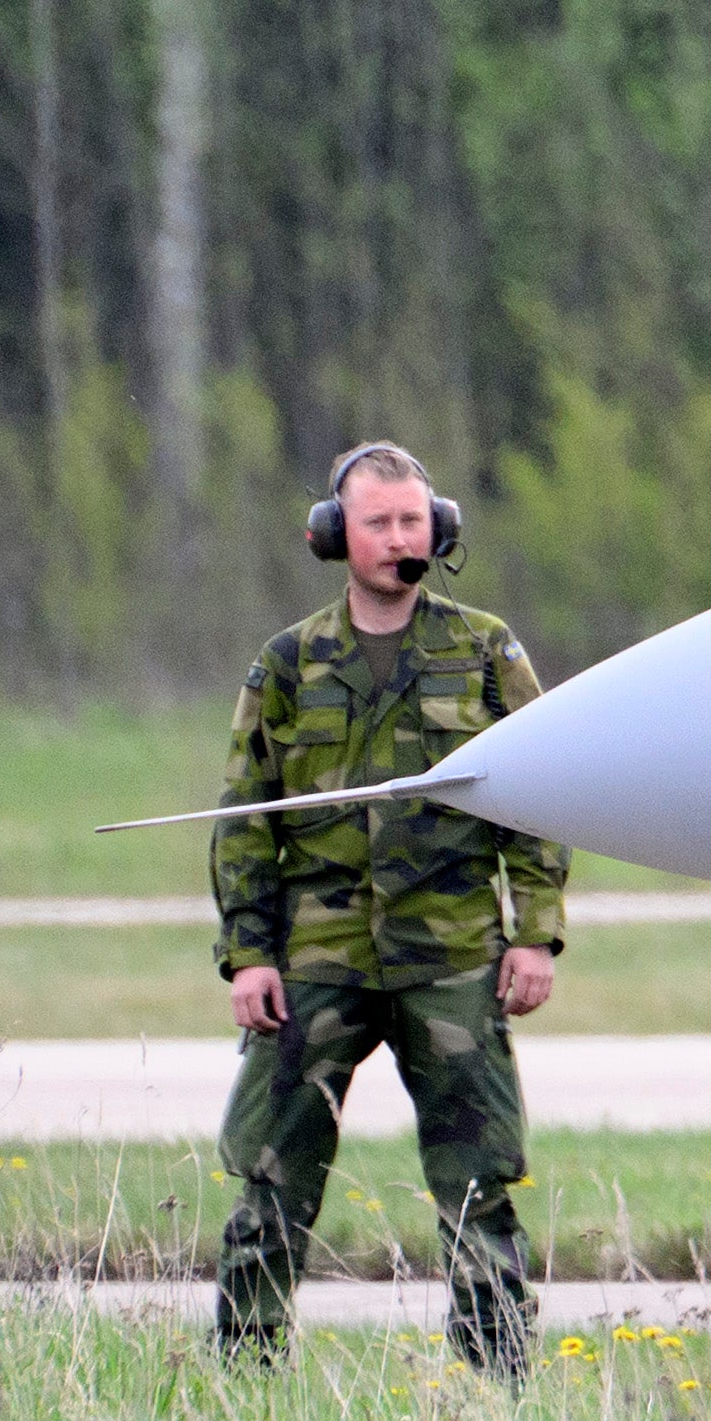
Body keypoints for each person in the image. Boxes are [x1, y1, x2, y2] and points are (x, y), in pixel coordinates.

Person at [208, 438, 557, 1369]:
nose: (399, 538)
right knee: (270, 1179)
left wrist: (536, 936)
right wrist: (248, 954)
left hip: (451, 957)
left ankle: (495, 1383)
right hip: (316, 960)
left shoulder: (484, 651)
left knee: (479, 1181)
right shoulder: (287, 664)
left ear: (437, 528)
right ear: (335, 535)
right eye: (379, 523)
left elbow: (543, 792)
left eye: (413, 520)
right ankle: (245, 1372)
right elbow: (245, 818)